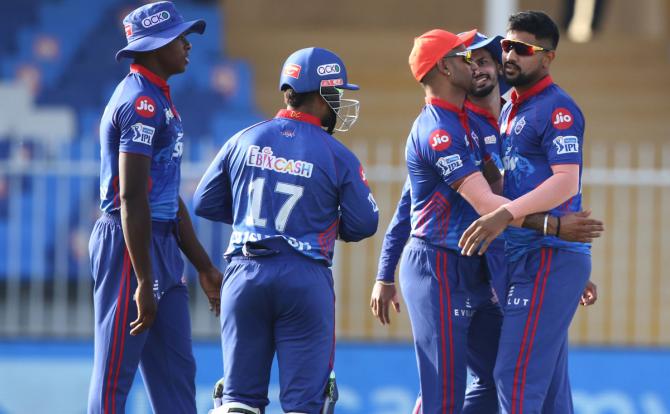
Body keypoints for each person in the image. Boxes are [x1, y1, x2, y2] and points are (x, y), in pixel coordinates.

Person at [372, 30, 600, 413]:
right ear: (447, 68)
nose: (475, 66)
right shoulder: (448, 129)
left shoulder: (509, 120)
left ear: (498, 67)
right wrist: (555, 230)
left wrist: (561, 258)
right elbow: (421, 207)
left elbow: (505, 198)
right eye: (467, 59)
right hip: (442, 263)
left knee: (514, 375)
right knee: (457, 390)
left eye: (483, 59)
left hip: (493, 266)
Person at [193, 47, 379, 414]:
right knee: (304, 406)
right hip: (303, 277)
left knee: (238, 402)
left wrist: (257, 218)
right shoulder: (337, 155)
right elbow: (364, 224)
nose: (340, 103)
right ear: (323, 96)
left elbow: (204, 201)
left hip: (245, 273)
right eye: (337, 94)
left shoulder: (245, 138)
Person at [458, 11, 600, 413]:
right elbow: (517, 183)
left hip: (548, 256)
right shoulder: (510, 109)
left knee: (513, 377)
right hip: (535, 256)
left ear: (548, 57)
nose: (509, 56)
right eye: (506, 46)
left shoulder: (559, 109)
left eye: (522, 49)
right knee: (551, 390)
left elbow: (564, 182)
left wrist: (504, 216)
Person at [87, 2, 223, 413]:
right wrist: (145, 280)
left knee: (177, 380)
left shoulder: (160, 100)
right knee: (114, 379)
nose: (187, 45)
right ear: (152, 46)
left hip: (159, 244)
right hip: (130, 246)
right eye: (178, 38)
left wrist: (202, 265)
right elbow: (131, 198)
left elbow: (165, 195)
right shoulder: (140, 103)